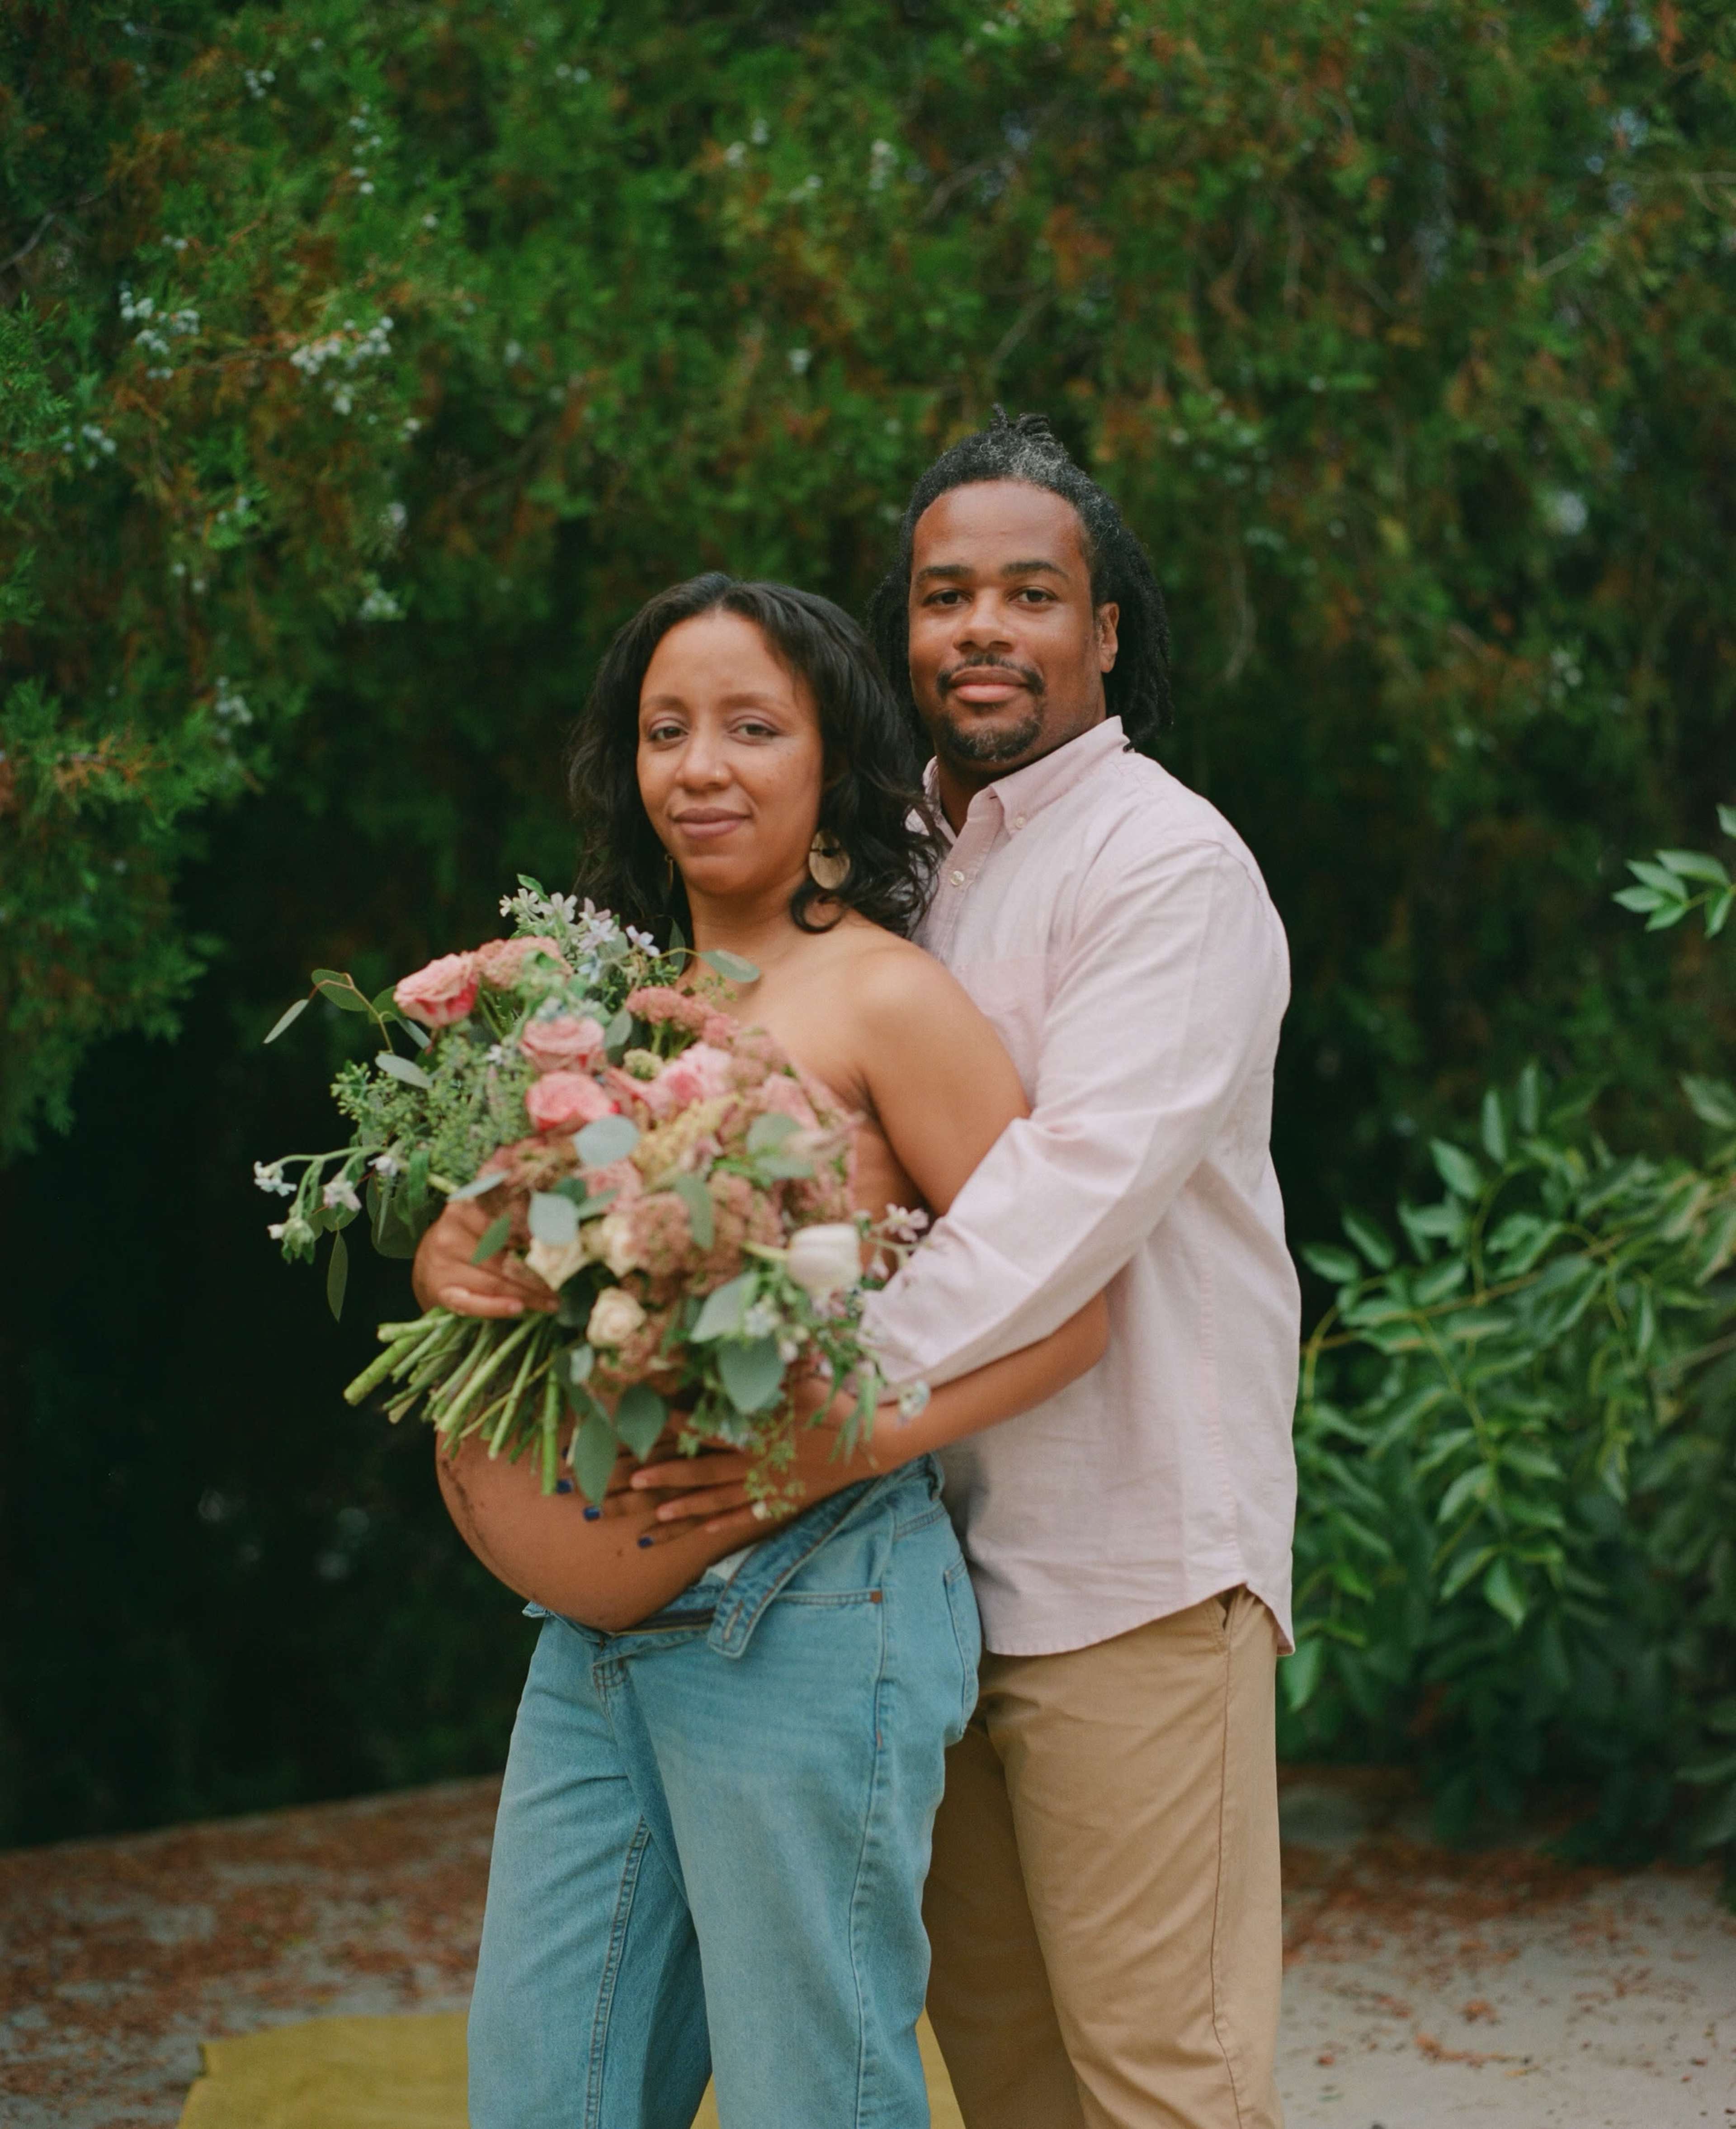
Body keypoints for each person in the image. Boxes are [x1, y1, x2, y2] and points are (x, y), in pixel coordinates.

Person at [629, 412, 1300, 2129]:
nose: (982, 630)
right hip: (923, 1574)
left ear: (1105, 630)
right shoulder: (898, 871)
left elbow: (1064, 1200)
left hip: (1130, 1564)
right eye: (944, 597)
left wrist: (790, 1408)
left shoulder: (1166, 864)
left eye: (1029, 593)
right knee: (1008, 2081)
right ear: (905, 630)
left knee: (1166, 2081)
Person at [411, 573, 1109, 2129]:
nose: (703, 765)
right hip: (593, 1645)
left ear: (829, 758)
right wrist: (444, 1248)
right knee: (544, 2095)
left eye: (751, 727)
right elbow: (540, 1272)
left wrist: (844, 1436)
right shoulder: (597, 1010)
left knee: (817, 2099)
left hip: (805, 1614)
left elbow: (1073, 1310)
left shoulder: (889, 997)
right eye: (668, 730)